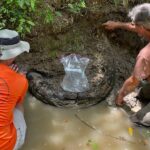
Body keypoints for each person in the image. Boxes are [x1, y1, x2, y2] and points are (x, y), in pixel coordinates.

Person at [102, 3, 150, 106]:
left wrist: (121, 94)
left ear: (141, 27)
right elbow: (137, 27)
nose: (133, 25)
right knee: (143, 93)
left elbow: (133, 81)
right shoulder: (145, 27)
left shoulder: (145, 55)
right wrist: (117, 24)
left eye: (135, 23)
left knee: (139, 121)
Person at [0, 29, 30, 150]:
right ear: (11, 56)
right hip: (5, 144)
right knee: (18, 106)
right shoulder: (20, 80)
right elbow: (17, 103)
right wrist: (16, 76)